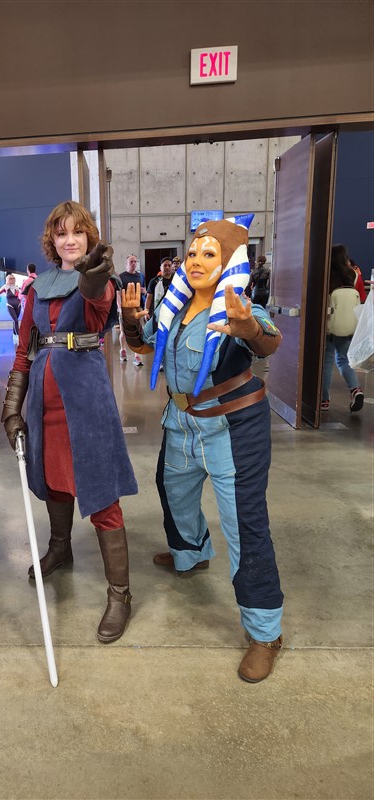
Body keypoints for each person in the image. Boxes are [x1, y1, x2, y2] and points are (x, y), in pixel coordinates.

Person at [121, 215, 285, 683]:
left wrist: (247, 327)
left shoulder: (239, 307)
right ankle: (191, 553)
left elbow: (268, 342)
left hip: (233, 429)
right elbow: (144, 344)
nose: (195, 261)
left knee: (246, 527)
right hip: (181, 423)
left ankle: (265, 633)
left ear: (229, 262)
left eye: (208, 254)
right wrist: (131, 321)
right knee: (172, 491)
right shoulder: (173, 309)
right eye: (192, 253)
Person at [1, 200, 138, 643]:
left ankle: (120, 594)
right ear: (52, 240)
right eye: (61, 233)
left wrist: (93, 276)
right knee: (53, 480)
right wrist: (12, 406)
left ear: (89, 236)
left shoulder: (100, 281)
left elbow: (98, 303)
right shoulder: (36, 287)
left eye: (78, 232)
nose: (70, 240)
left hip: (86, 399)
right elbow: (24, 349)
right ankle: (59, 548)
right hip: (44, 400)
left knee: (100, 491)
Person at [321, 245, 364, 412]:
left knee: (327, 362)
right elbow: (360, 297)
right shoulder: (353, 275)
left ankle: (324, 400)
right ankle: (355, 390)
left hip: (329, 325)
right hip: (348, 325)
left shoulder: (327, 275)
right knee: (344, 360)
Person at [117, 254, 146, 366]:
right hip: (125, 308)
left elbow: (145, 290)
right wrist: (119, 307)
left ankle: (136, 355)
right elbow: (118, 293)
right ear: (126, 264)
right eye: (131, 262)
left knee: (138, 331)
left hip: (137, 307)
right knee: (124, 331)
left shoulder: (140, 276)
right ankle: (123, 350)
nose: (133, 264)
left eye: (135, 262)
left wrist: (144, 292)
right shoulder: (121, 277)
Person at [0, 273, 22, 346]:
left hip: (18, 305)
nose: (12, 280)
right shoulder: (5, 287)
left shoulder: (16, 287)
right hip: (10, 305)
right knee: (15, 320)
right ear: (7, 280)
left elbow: (21, 295)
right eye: (11, 279)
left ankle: (14, 335)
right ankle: (18, 337)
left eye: (13, 279)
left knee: (15, 321)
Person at [146, 257, 176, 326]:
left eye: (169, 265)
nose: (167, 267)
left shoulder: (176, 281)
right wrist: (146, 311)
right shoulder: (154, 282)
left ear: (172, 267)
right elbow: (149, 297)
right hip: (157, 313)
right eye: (165, 265)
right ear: (160, 267)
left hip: (172, 313)